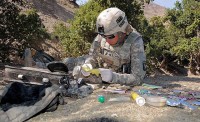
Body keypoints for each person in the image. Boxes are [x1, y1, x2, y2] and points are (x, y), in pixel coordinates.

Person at [63, 7, 146, 86]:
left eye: (110, 37)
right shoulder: (105, 33)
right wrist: (88, 64)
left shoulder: (135, 41)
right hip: (100, 74)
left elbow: (137, 78)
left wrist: (113, 77)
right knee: (73, 68)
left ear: (122, 32)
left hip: (121, 80)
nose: (106, 40)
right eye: (103, 36)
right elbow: (93, 57)